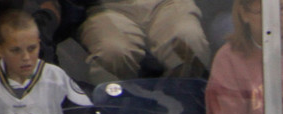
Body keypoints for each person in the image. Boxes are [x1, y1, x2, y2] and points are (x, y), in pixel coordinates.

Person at [74, 0, 212, 83]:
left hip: (165, 3)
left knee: (189, 41)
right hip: (104, 6)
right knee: (113, 52)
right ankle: (113, 109)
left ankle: (186, 103)